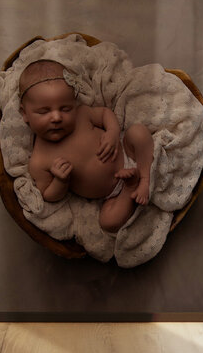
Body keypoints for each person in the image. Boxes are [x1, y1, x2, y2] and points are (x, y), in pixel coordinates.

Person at [18, 59, 154, 233]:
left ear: (74, 104)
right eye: (44, 111)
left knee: (138, 133)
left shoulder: (81, 115)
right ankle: (130, 188)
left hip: (127, 152)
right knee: (108, 223)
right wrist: (61, 181)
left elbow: (105, 114)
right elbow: (48, 195)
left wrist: (112, 132)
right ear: (25, 113)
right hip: (111, 194)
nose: (57, 117)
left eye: (65, 108)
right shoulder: (39, 160)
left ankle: (145, 178)